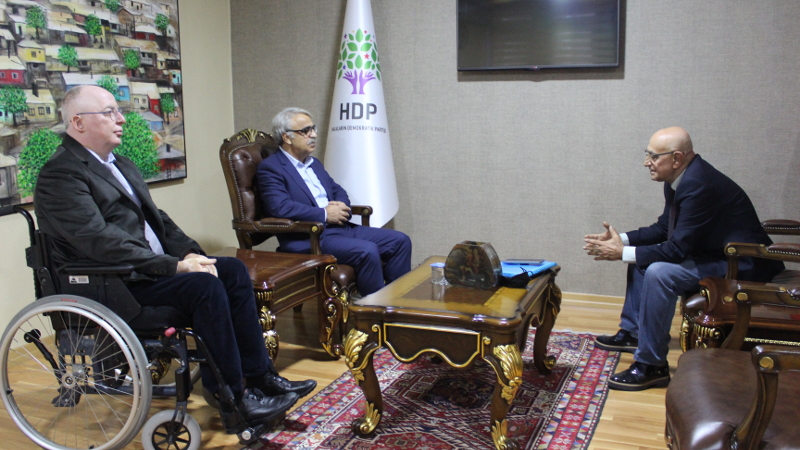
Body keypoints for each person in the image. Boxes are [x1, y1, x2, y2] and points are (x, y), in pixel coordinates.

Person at [34, 85, 316, 433]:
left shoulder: (119, 164)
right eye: (109, 112)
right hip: (115, 283)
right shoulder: (61, 175)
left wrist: (191, 253)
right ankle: (234, 400)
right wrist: (175, 266)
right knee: (204, 288)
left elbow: (159, 221)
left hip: (145, 271)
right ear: (78, 123)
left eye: (118, 111)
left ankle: (261, 378)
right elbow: (99, 241)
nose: (121, 119)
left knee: (229, 270)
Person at [583, 126, 783, 391]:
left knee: (659, 273)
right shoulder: (679, 180)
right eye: (647, 154)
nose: (646, 162)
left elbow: (677, 249)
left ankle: (652, 366)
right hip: (717, 255)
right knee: (641, 259)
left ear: (676, 158)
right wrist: (622, 240)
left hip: (744, 264)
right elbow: (665, 228)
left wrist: (622, 253)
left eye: (653, 156)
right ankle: (633, 333)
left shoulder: (699, 185)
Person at [256, 107, 412, 296]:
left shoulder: (313, 163)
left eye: (313, 128)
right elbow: (280, 207)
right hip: (309, 237)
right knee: (367, 250)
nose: (314, 135)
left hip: (339, 228)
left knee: (400, 241)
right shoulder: (271, 168)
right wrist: (324, 214)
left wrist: (340, 205)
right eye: (306, 131)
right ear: (286, 137)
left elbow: (337, 190)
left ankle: (396, 302)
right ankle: (373, 310)